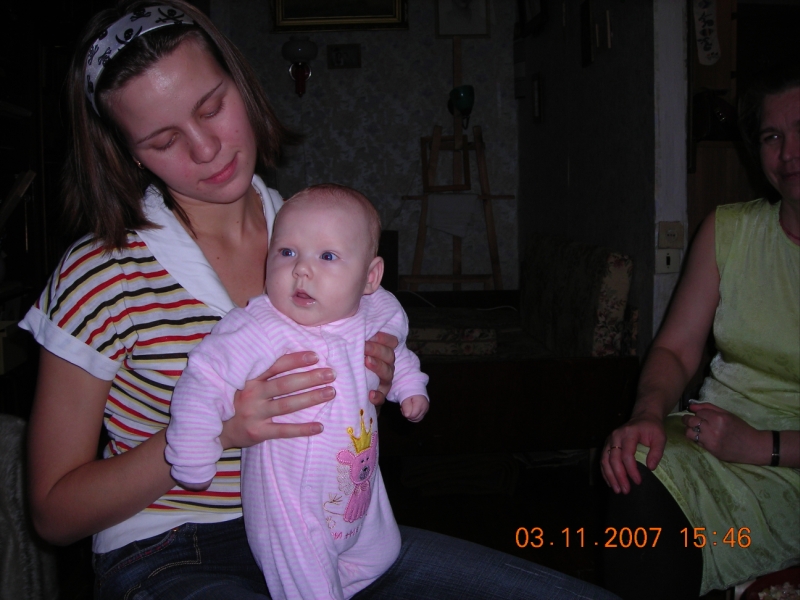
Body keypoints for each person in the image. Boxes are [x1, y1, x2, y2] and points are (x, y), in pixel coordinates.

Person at [20, 1, 622, 598]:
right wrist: (220, 433)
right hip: (172, 551)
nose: (205, 150)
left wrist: (373, 377)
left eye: (212, 108)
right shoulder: (101, 273)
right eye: (164, 139)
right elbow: (53, 513)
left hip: (339, 533)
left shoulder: (318, 234)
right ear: (128, 152)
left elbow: (372, 362)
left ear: (241, 83)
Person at [166, 184, 430, 599]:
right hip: (289, 508)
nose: (301, 270)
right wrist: (194, 450)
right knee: (308, 585)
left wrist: (409, 385)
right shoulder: (261, 327)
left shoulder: (370, 313)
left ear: (370, 277)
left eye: (327, 256)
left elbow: (396, 352)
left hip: (358, 492)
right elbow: (204, 378)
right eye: (287, 252)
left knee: (382, 552)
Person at [600, 65, 800, 600]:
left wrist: (763, 446)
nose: (788, 153)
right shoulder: (728, 230)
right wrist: (647, 413)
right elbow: (674, 348)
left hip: (784, 460)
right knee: (634, 463)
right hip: (713, 437)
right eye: (771, 136)